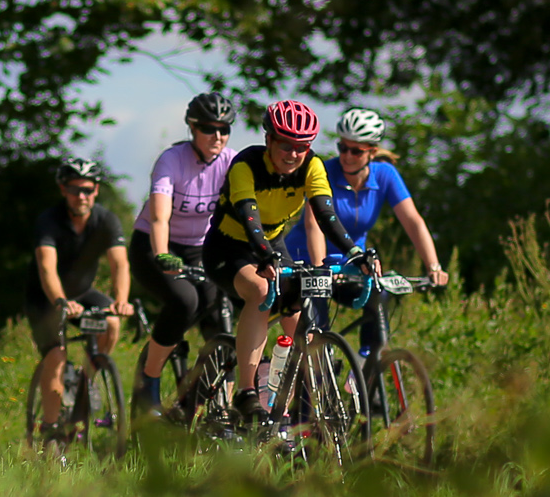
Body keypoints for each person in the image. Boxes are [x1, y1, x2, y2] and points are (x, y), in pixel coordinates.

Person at [204, 100, 373, 422]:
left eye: (301, 146)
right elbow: (248, 216)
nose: (293, 154)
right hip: (228, 247)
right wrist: (264, 254)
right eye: (285, 145)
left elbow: (326, 213)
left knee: (300, 321)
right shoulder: (246, 165)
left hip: (272, 243)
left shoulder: (312, 165)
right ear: (269, 139)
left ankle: (291, 408)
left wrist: (354, 252)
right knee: (260, 291)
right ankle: (246, 393)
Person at [283, 108, 450, 356]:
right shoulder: (323, 171)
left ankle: (367, 364)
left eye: (356, 151)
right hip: (307, 260)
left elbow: (413, 221)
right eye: (342, 148)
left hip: (350, 265)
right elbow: (313, 225)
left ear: (372, 151)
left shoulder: (385, 175)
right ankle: (308, 371)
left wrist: (433, 266)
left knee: (378, 294)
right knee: (316, 342)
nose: (347, 156)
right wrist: (320, 269)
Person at [127, 93, 239, 411]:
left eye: (224, 129)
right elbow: (159, 218)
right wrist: (163, 254)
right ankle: (149, 380)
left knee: (217, 310)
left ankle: (206, 400)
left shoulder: (232, 162)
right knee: (184, 301)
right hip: (155, 245)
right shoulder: (172, 160)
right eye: (208, 128)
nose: (217, 136)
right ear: (192, 127)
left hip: (201, 249)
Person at [26, 156, 133, 430]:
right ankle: (51, 430)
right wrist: (61, 301)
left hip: (83, 293)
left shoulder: (105, 220)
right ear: (63, 190)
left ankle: (87, 382)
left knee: (112, 323)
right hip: (46, 298)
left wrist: (121, 300)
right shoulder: (49, 221)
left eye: (88, 189)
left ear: (96, 190)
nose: (82, 196)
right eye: (75, 189)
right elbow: (47, 268)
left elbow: (120, 264)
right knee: (56, 357)